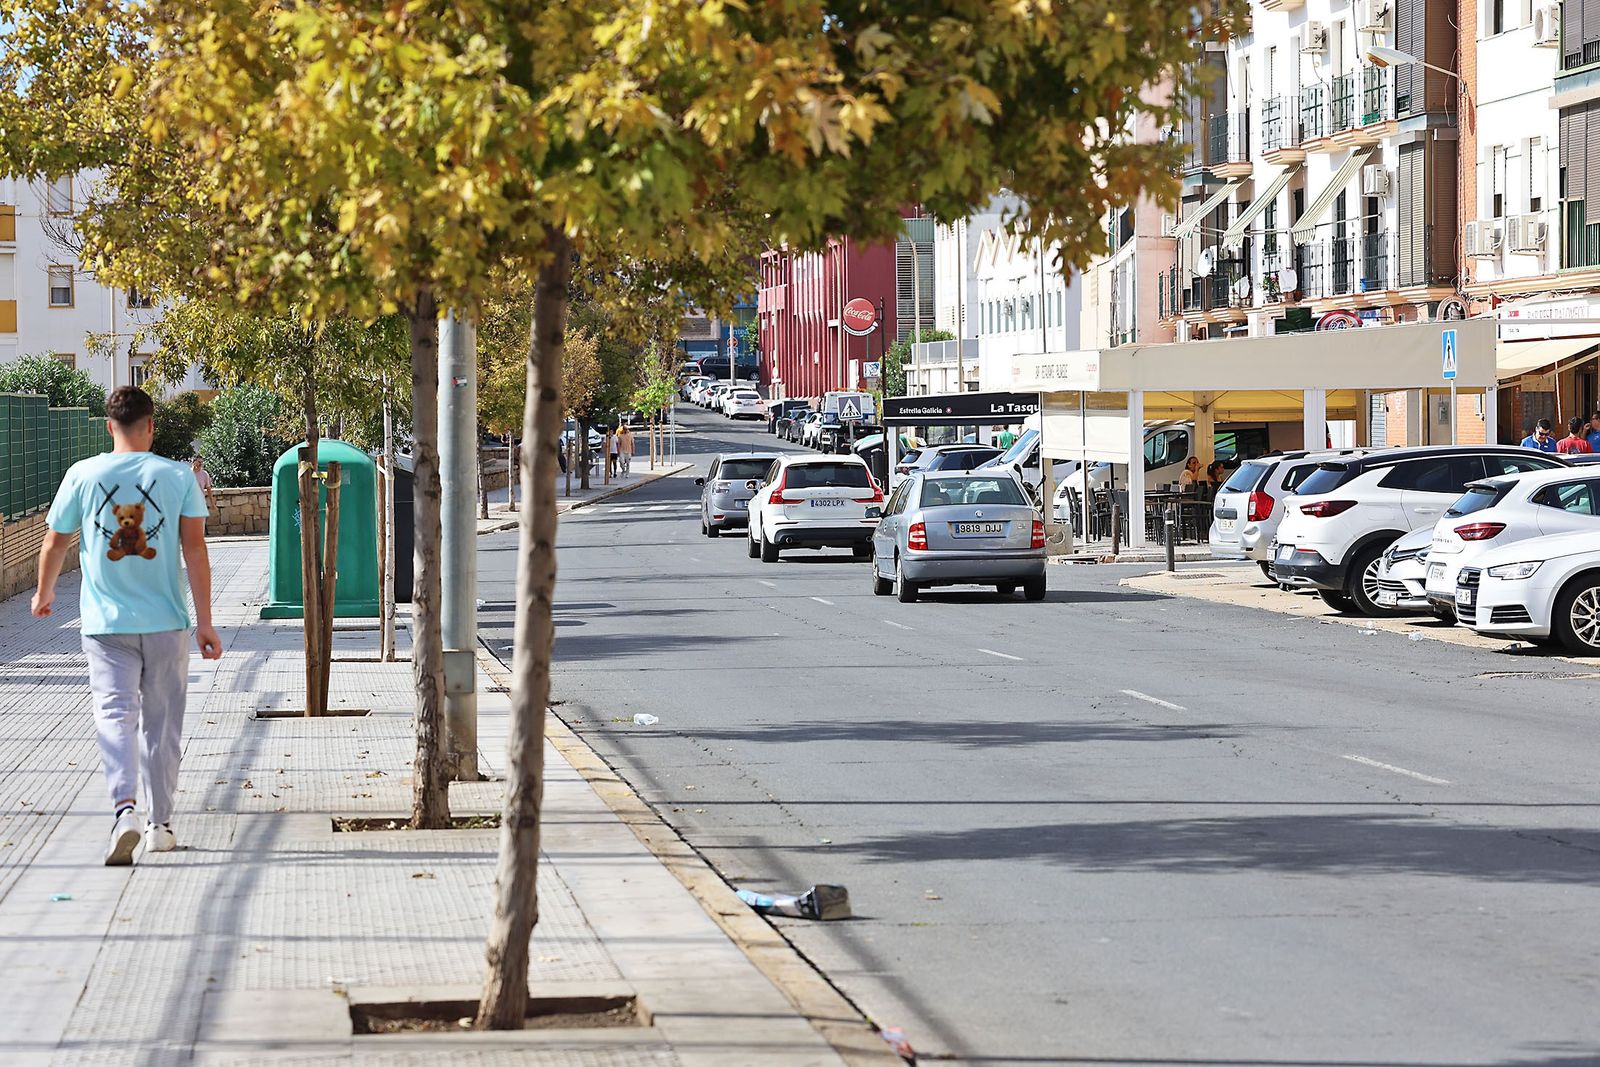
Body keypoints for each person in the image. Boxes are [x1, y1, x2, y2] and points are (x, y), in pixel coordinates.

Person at [32, 386, 222, 866]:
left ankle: (124, 811)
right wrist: (206, 623)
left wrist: (43, 593)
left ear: (108, 426)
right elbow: (195, 549)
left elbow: (55, 541)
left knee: (114, 715)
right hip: (165, 623)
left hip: (103, 624)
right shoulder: (178, 476)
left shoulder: (83, 474)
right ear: (151, 425)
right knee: (162, 725)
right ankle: (160, 826)